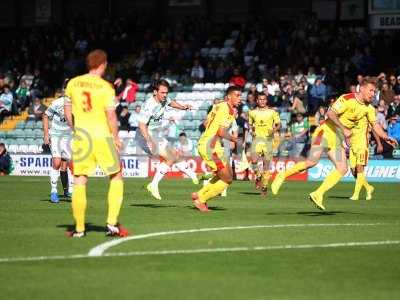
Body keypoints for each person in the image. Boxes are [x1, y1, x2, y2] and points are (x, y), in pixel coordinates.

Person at [271, 77, 397, 210]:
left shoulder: (369, 109)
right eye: (371, 90)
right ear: (363, 88)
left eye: (374, 91)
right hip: (324, 132)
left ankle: (317, 194)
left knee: (342, 168)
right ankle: (282, 175)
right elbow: (330, 113)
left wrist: (385, 136)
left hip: (336, 139)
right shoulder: (347, 99)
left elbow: (375, 125)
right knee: (312, 162)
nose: (373, 94)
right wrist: (344, 129)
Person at [64, 49, 128, 238]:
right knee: (116, 176)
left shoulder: (72, 84)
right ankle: (111, 223)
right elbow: (110, 115)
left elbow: (68, 112)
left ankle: (80, 229)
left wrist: (75, 128)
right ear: (103, 65)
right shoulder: (106, 87)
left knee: (80, 180)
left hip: (82, 136)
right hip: (102, 136)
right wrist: (116, 137)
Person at [136, 79, 198, 200]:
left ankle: (193, 175)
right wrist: (149, 141)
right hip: (145, 136)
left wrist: (183, 107)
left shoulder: (164, 100)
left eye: (166, 92)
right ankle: (153, 185)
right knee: (170, 157)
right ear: (155, 92)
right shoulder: (149, 105)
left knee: (174, 154)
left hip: (156, 134)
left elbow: (172, 103)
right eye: (162, 92)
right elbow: (142, 125)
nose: (165, 95)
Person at [191, 86, 242, 212]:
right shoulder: (228, 110)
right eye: (237, 95)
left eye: (240, 95)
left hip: (213, 145)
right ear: (229, 96)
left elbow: (205, 123)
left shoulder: (218, 105)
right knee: (228, 179)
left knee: (228, 173)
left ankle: (199, 193)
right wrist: (235, 139)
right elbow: (221, 132)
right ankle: (201, 199)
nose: (239, 98)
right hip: (210, 147)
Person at [43, 83, 74, 203]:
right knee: (56, 163)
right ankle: (54, 191)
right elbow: (46, 115)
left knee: (72, 165)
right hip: (56, 135)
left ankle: (70, 191)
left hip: (69, 136)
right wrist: (46, 134)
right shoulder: (57, 103)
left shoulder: (77, 104)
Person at [248, 92, 280, 195]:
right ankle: (258, 175)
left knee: (266, 165)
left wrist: (274, 130)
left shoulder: (272, 112)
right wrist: (252, 130)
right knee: (253, 161)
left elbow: (278, 124)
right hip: (257, 140)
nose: (262, 101)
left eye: (264, 99)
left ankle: (264, 187)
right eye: (260, 99)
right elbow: (250, 124)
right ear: (257, 101)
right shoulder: (252, 112)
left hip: (268, 140)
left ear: (266, 100)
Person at [349, 115, 382, 201]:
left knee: (359, 168)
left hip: (362, 146)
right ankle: (368, 188)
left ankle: (356, 195)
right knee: (354, 172)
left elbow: (374, 130)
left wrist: (379, 143)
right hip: (352, 147)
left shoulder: (366, 117)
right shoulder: (351, 115)